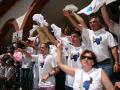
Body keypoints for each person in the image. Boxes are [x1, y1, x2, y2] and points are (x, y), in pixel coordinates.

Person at [63, 10, 119, 83]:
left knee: (109, 84)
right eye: (90, 22)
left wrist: (117, 62)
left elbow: (114, 48)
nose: (92, 24)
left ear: (99, 23)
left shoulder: (107, 34)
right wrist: (71, 15)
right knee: (96, 85)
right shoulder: (88, 33)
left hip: (106, 64)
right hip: (93, 64)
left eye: (94, 22)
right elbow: (79, 24)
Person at [41, 26, 88, 90]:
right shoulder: (69, 48)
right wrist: (45, 29)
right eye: (71, 37)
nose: (72, 38)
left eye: (74, 36)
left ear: (80, 37)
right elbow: (54, 41)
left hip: (81, 82)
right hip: (69, 82)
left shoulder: (85, 48)